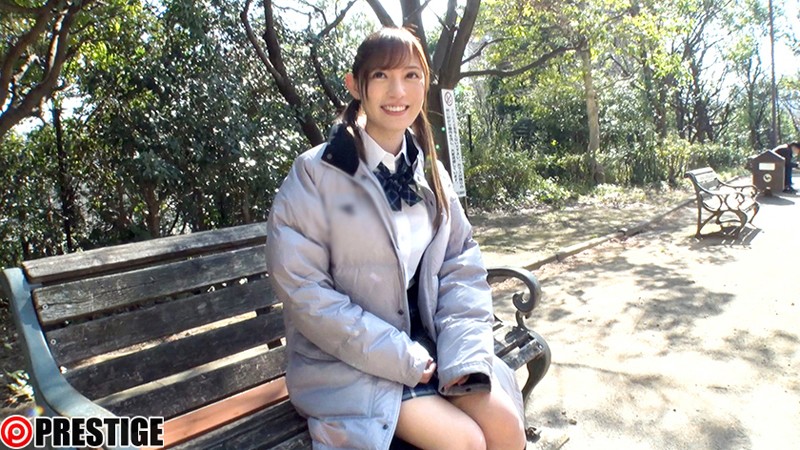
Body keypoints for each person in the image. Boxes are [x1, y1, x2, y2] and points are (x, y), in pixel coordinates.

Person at [266, 27, 527, 450]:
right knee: (464, 442)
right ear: (355, 86)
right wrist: (401, 356)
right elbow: (305, 291)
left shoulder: (431, 173)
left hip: (431, 343)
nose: (397, 91)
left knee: (506, 428)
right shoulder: (315, 174)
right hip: (346, 361)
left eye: (411, 75)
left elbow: (460, 264)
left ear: (425, 83)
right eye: (381, 76)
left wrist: (462, 352)